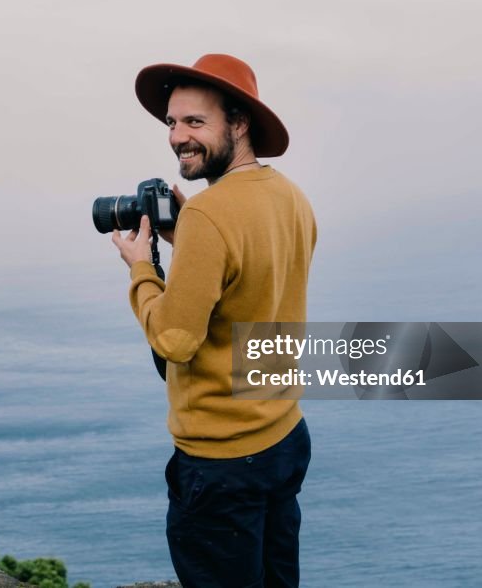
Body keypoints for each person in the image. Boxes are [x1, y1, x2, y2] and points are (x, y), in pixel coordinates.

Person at [109, 54, 318, 588]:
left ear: (240, 123)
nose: (179, 136)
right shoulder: (288, 196)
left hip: (222, 460)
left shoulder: (208, 214)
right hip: (283, 436)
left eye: (196, 122)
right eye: (172, 123)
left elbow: (174, 340)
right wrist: (190, 243)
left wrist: (141, 271)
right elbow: (253, 286)